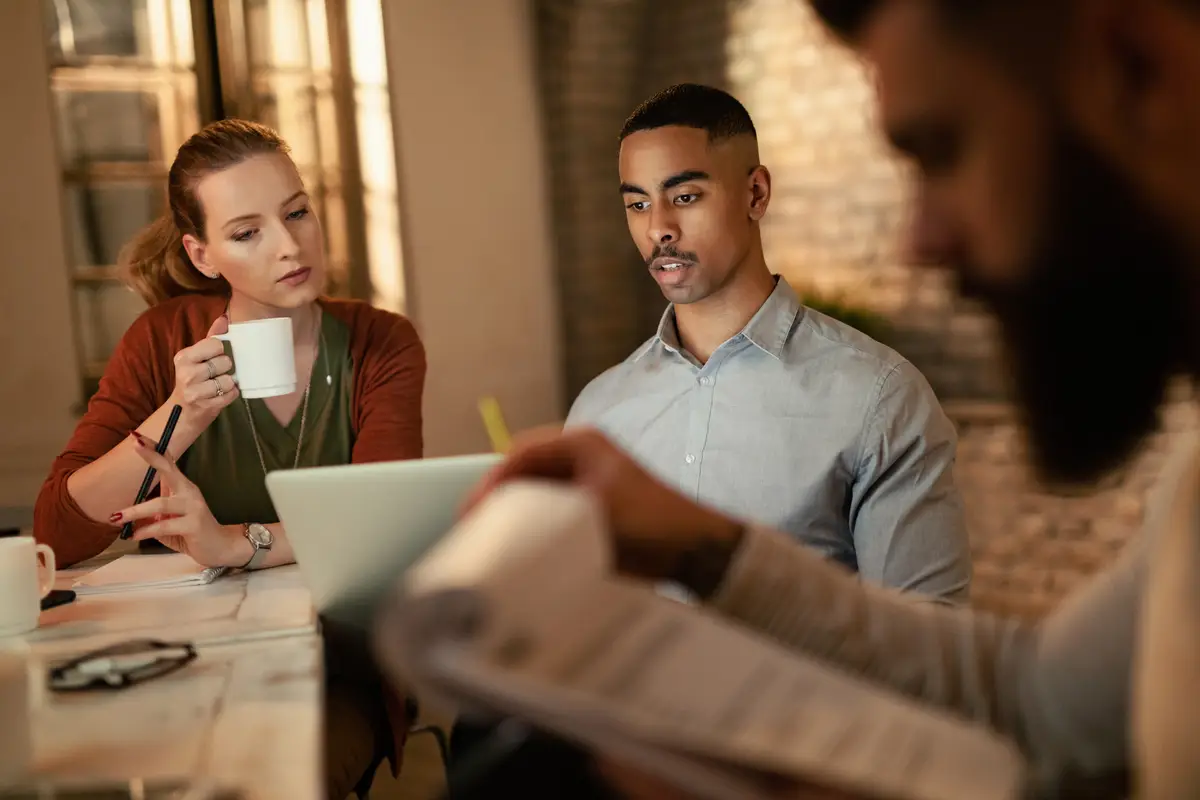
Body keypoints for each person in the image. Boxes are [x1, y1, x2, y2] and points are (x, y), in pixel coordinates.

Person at [450, 0, 1200, 798]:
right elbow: (1034, 701)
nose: (918, 242)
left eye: (942, 148)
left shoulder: (876, 395)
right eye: (636, 202)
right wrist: (702, 548)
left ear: (1138, 69)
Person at [32, 119, 426, 799]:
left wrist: (234, 544)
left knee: (273, 782)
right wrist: (179, 415)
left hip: (335, 666)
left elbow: (375, 531)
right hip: (177, 661)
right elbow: (57, 530)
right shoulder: (162, 342)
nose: (290, 244)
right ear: (202, 253)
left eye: (297, 212)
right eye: (247, 232)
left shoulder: (379, 344)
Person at [568, 83, 971, 599]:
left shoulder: (878, 398)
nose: (659, 229)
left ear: (755, 193)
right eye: (638, 204)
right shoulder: (596, 414)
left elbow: (925, 647)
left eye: (685, 197)